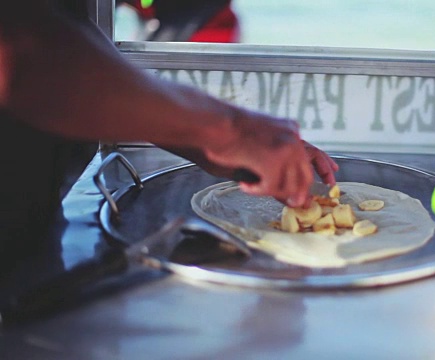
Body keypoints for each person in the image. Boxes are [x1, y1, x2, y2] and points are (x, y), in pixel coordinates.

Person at [0, 1, 338, 256]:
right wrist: (229, 130)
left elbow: (67, 29)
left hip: (29, 234)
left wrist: (208, 142)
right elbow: (19, 55)